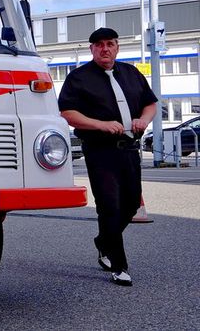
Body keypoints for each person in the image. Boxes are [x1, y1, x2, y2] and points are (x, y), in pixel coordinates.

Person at [58, 27, 157, 287]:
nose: (105, 49)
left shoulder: (132, 73)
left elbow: (151, 103)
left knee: (131, 205)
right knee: (109, 206)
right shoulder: (78, 78)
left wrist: (143, 120)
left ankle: (103, 242)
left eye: (110, 44)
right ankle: (119, 265)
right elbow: (67, 112)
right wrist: (101, 125)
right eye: (99, 44)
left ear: (117, 47)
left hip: (129, 149)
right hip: (100, 150)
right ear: (91, 49)